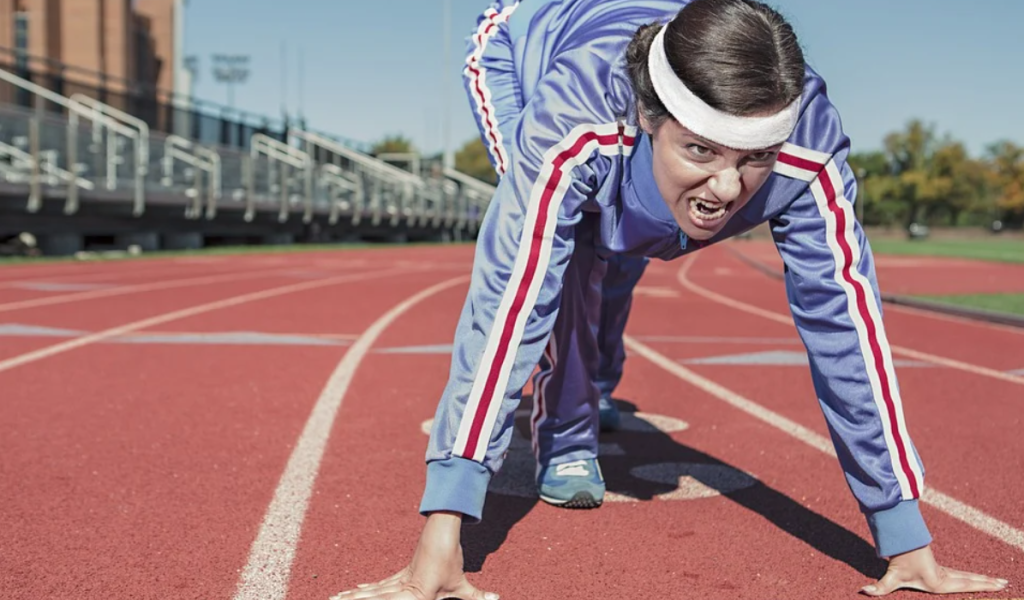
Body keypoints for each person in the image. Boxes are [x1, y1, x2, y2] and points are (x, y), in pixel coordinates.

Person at [334, 0, 1010, 598]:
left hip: (642, 120)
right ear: (652, 118)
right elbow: (510, 299)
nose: (725, 187)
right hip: (520, 47)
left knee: (632, 241)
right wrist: (443, 531)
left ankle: (595, 380)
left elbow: (847, 328)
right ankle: (566, 434)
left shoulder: (809, 150)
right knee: (568, 255)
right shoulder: (576, 118)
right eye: (700, 151)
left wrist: (904, 535)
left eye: (754, 158)